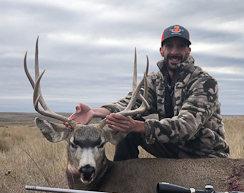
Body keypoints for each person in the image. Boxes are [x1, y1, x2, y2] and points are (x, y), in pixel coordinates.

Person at [66, 25, 230, 160]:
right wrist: (95, 112)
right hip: (173, 150)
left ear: (188, 51)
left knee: (132, 127)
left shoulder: (205, 83)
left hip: (205, 156)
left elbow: (186, 126)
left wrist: (138, 126)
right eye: (169, 46)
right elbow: (131, 103)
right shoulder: (154, 80)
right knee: (126, 130)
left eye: (181, 46)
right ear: (161, 50)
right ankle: (120, 182)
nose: (175, 51)